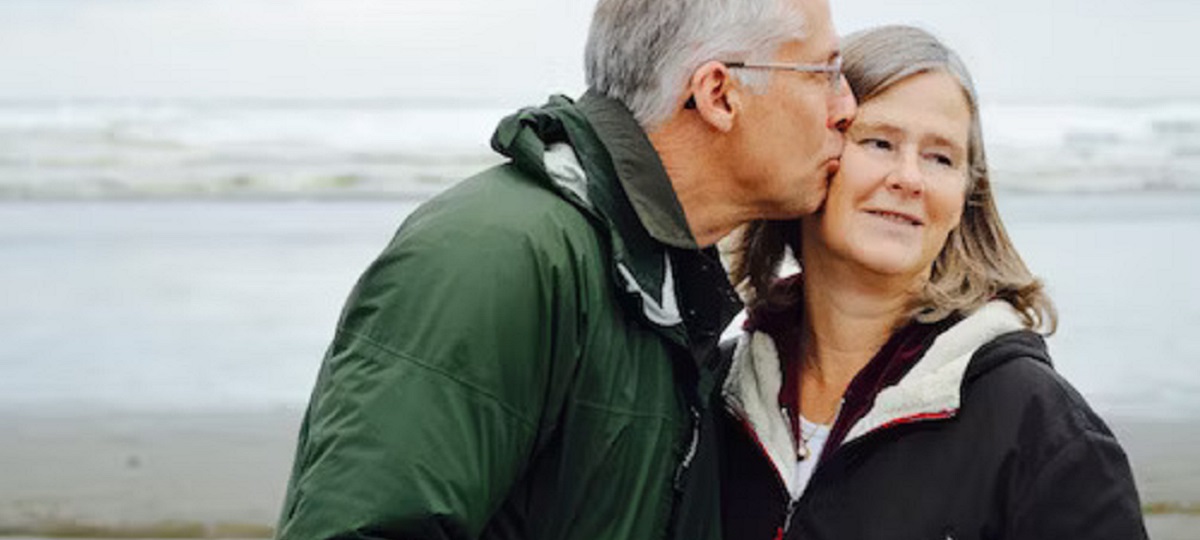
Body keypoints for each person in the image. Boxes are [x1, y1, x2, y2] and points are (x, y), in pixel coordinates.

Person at [274, 0, 857, 539]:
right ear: (718, 94)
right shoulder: (496, 257)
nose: (846, 108)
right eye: (824, 74)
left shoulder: (659, 279)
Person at [718, 25, 1146, 540]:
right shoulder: (718, 394)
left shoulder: (1042, 429)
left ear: (966, 196)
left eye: (940, 157)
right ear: (816, 155)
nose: (909, 178)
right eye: (879, 142)